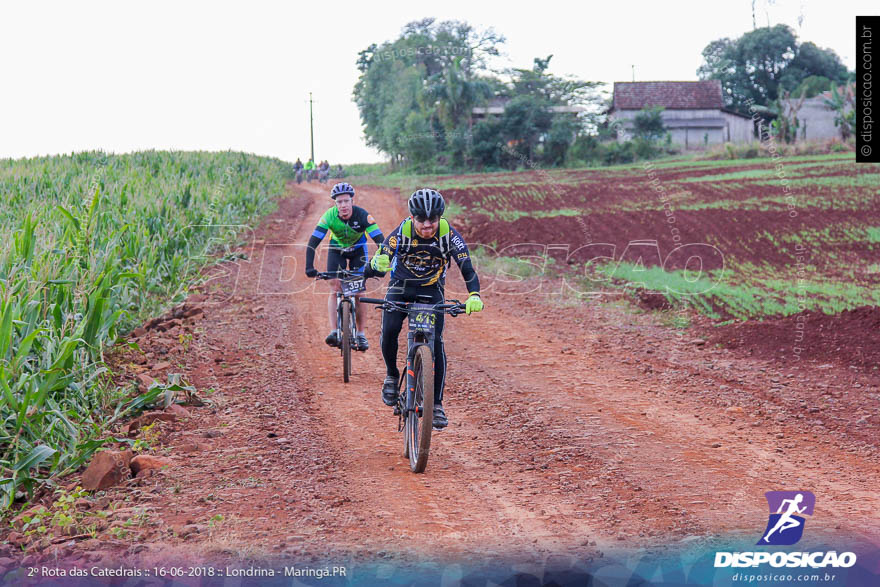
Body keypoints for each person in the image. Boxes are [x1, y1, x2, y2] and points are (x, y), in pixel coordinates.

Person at [369, 188, 483, 429]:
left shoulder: (448, 234)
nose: (428, 225)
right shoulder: (403, 231)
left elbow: (468, 268)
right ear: (412, 217)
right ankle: (391, 375)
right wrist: (377, 262)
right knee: (389, 330)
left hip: (431, 290)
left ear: (440, 217)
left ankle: (437, 404)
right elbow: (385, 253)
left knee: (437, 343)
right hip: (401, 286)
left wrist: (474, 294)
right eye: (421, 219)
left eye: (433, 219)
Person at [305, 182, 384, 351]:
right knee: (335, 288)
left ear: (352, 201)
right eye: (339, 202)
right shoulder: (329, 216)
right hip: (336, 250)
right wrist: (309, 267)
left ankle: (361, 334)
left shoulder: (363, 216)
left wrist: (382, 265)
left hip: (358, 251)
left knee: (359, 292)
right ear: (335, 204)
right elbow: (313, 242)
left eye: (346, 201)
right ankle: (334, 331)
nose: (343, 205)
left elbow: (380, 242)